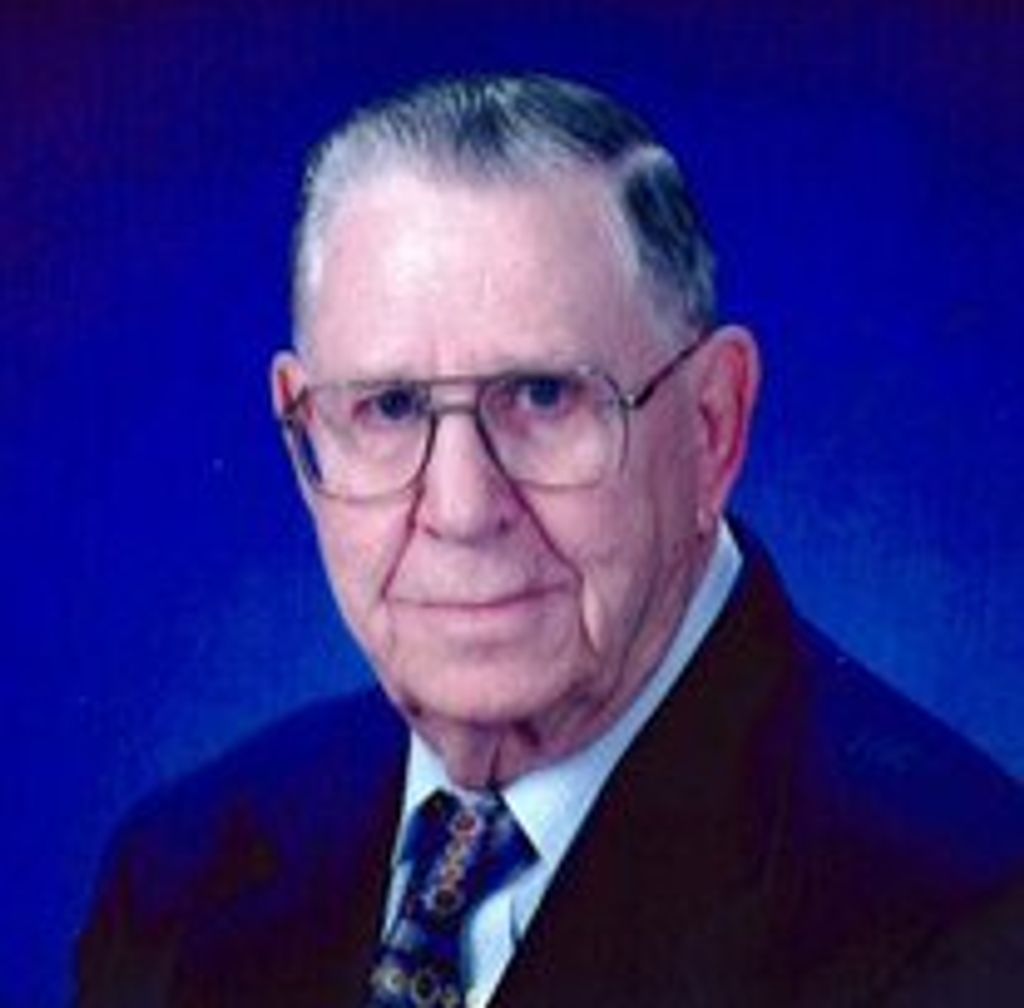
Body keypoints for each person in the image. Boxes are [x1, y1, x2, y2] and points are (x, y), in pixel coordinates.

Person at [76, 73, 1024, 1007]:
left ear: (712, 427)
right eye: (391, 406)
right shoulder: (177, 879)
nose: (461, 508)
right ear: (304, 428)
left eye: (543, 395)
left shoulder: (964, 931)